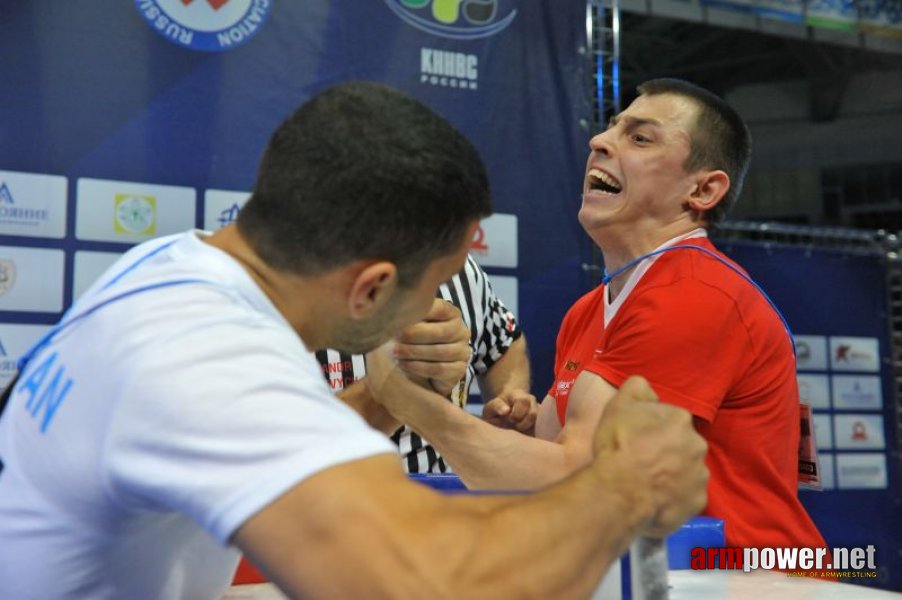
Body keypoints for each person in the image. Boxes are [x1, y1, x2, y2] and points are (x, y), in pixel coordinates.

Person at [0, 81, 707, 599]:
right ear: (371, 289)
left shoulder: (170, 267)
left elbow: (271, 439)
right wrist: (625, 485)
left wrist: (386, 395)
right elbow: (431, 582)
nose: (435, 307)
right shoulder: (206, 359)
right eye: (432, 285)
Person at [367, 78, 824, 550]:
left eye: (640, 137)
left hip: (752, 578)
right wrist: (522, 436)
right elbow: (556, 464)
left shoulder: (694, 292)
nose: (599, 141)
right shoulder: (590, 310)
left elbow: (578, 484)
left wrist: (408, 400)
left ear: (704, 190)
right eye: (611, 128)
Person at [318, 254, 535, 474]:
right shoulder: (297, 276)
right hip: (329, 495)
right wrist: (394, 389)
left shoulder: (460, 267)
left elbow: (504, 341)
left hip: (443, 494)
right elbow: (289, 439)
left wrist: (507, 400)